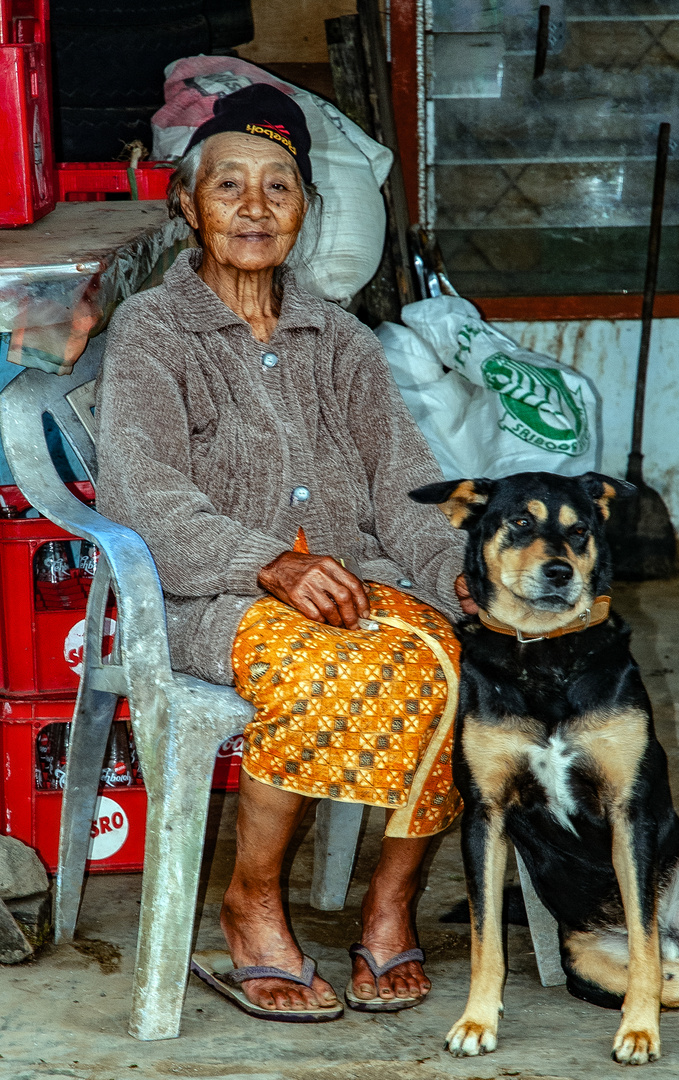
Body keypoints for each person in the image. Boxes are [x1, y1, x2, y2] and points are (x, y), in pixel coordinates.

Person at [95, 83, 475, 1023]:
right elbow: (144, 493)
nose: (254, 208)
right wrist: (267, 563)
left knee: (458, 658)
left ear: (304, 211)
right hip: (206, 600)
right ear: (188, 205)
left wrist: (456, 574)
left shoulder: (337, 339)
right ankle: (250, 899)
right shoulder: (153, 332)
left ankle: (388, 906)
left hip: (355, 583)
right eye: (229, 187)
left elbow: (405, 485)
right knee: (318, 672)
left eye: (278, 188)